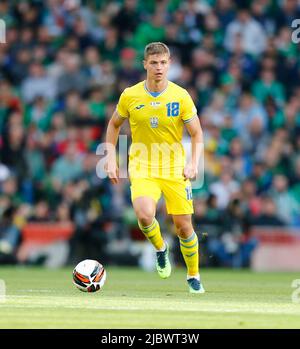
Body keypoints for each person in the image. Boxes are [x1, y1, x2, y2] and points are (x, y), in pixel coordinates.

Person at [105, 42, 205, 293]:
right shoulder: (130, 95)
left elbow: (197, 134)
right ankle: (161, 248)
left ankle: (193, 276)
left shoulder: (181, 96)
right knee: (144, 214)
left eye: (163, 62)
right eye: (154, 63)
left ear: (169, 64)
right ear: (145, 65)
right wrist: (109, 157)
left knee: (183, 227)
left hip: (174, 168)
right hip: (142, 165)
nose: (159, 67)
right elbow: (114, 124)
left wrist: (194, 163)